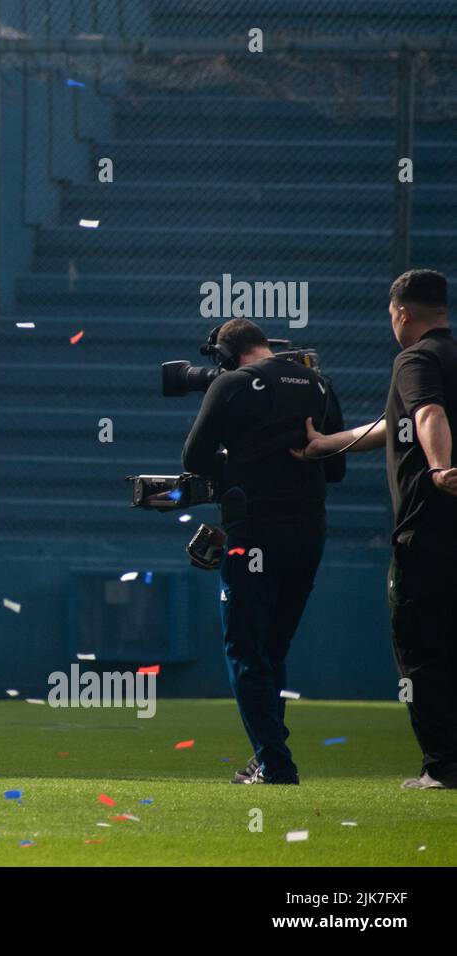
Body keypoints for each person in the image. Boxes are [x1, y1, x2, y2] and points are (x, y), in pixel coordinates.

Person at [298, 269, 457, 789]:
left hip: (428, 530)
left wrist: (438, 468)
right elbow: (399, 422)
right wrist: (326, 445)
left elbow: (427, 413)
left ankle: (443, 767)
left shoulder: (414, 359)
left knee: (420, 647)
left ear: (402, 314)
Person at [182, 317, 345, 784]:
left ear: (226, 355)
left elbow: (193, 458)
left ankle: (276, 764)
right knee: (273, 648)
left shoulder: (230, 384)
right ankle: (268, 755)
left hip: (255, 534)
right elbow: (335, 470)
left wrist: (242, 465)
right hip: (310, 533)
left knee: (246, 650)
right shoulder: (319, 384)